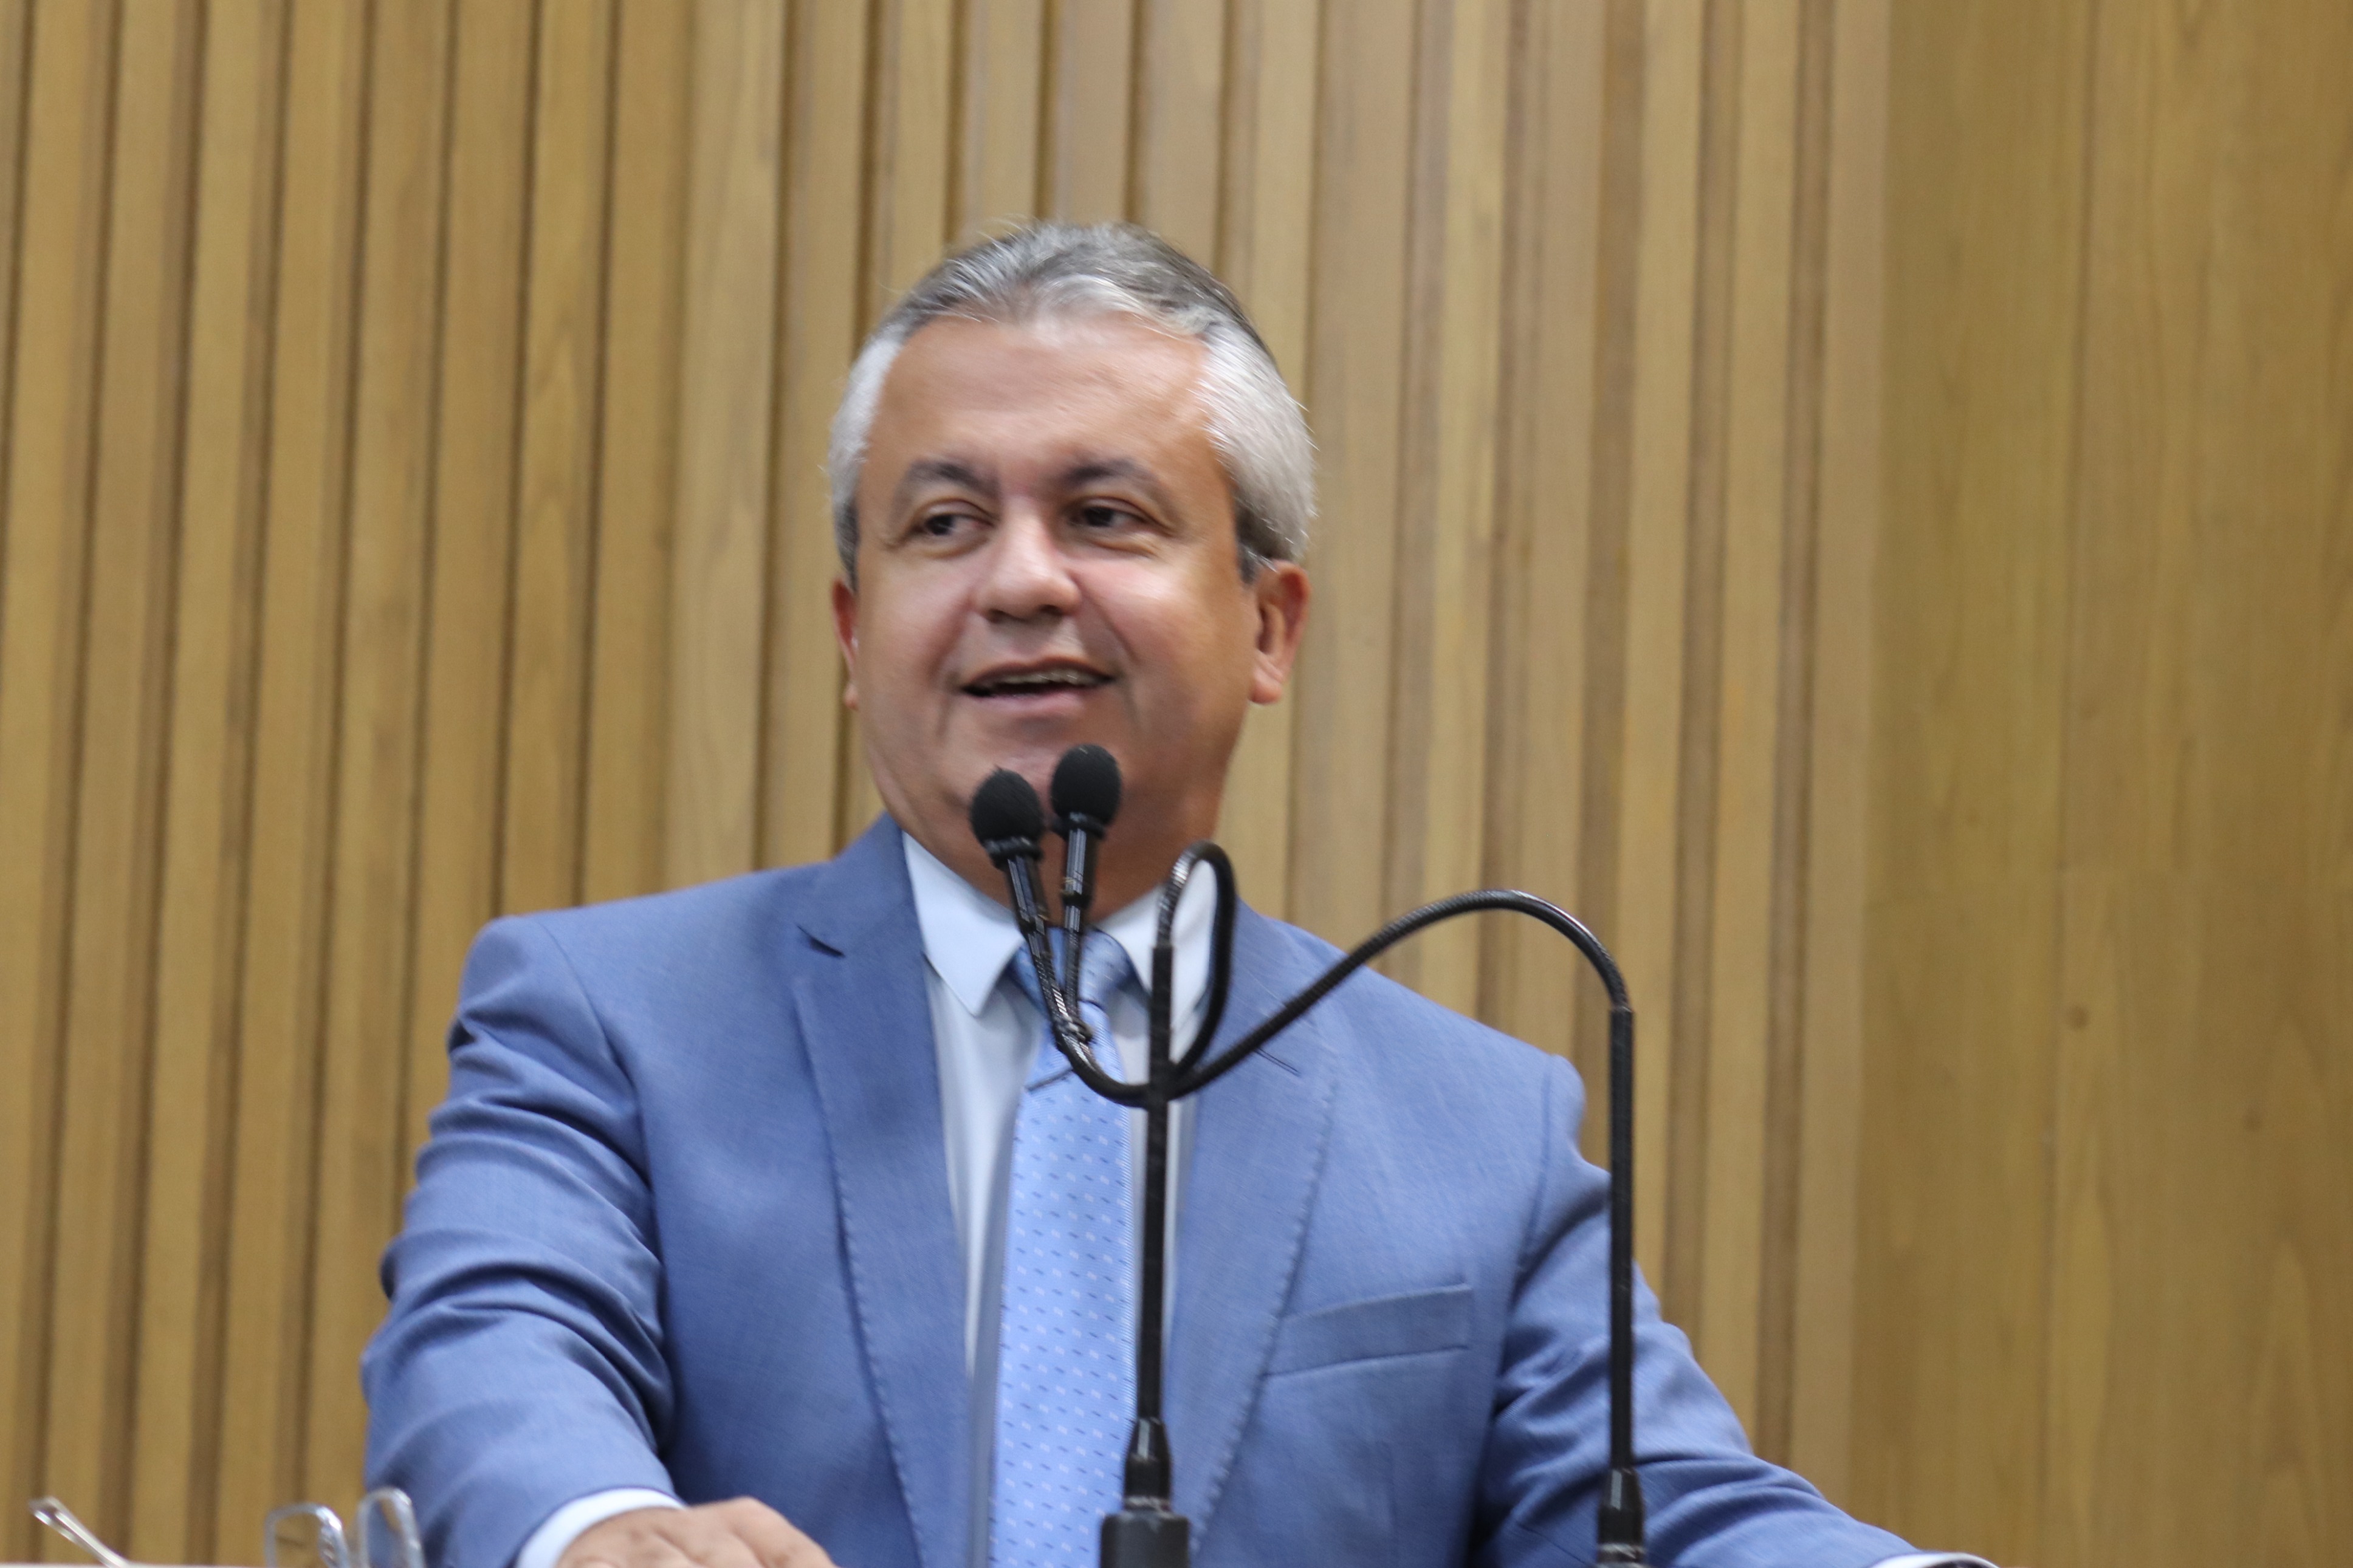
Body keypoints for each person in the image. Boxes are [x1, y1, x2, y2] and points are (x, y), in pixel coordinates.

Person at [363, 224, 1987, 1568]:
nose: (1020, 580)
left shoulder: (1478, 1130)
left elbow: (1674, 1517)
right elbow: (494, 1343)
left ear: (1269, 626)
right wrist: (598, 1528)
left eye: (1104, 516)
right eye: (945, 523)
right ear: (856, 636)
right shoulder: (609, 1019)